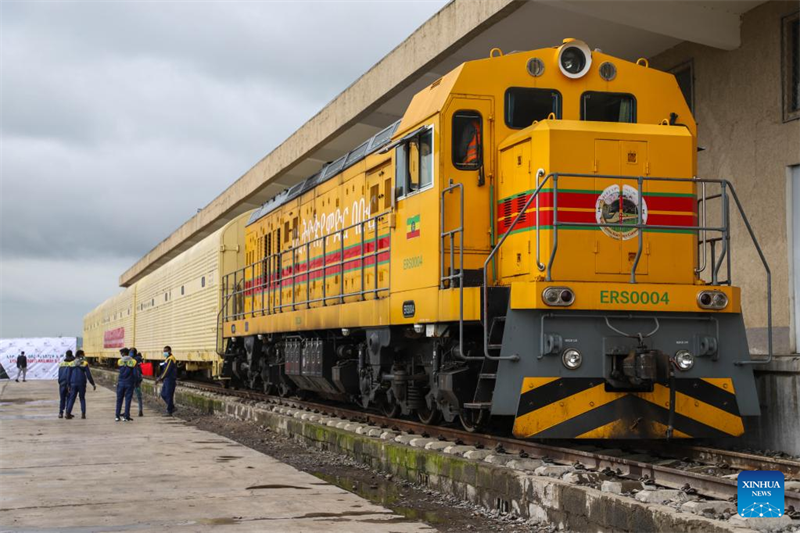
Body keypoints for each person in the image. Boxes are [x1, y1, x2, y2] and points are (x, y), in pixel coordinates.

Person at [65, 350, 96, 419]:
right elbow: (88, 375)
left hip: (73, 383)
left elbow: (68, 376)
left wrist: (68, 385)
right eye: (83, 355)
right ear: (81, 355)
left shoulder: (71, 364)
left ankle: (68, 414)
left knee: (72, 398)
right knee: (82, 398)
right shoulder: (84, 363)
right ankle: (83, 414)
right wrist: (93, 383)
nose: (84, 356)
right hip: (82, 384)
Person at [115, 348, 137, 422]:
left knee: (119, 400)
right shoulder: (133, 362)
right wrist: (135, 382)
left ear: (123, 353)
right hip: (129, 383)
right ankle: (126, 416)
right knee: (128, 400)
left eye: (121, 353)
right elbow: (135, 373)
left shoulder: (119, 361)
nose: (121, 354)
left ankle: (117, 416)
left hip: (121, 383)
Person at [155, 346, 177, 416]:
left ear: (170, 351)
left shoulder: (170, 359)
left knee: (168, 395)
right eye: (164, 351)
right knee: (163, 394)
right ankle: (172, 407)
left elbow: (167, 370)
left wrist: (160, 378)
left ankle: (169, 411)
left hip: (170, 379)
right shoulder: (167, 359)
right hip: (167, 379)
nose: (164, 352)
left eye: (166, 351)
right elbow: (164, 370)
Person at [58, 350, 75, 418]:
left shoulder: (61, 364)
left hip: (61, 383)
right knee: (69, 398)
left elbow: (59, 374)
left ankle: (60, 413)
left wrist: (59, 382)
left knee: (62, 399)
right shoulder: (73, 364)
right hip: (69, 384)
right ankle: (67, 413)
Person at [131, 348, 144, 417]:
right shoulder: (139, 358)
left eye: (131, 352)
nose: (130, 353)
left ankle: (126, 411)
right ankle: (140, 410)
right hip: (138, 380)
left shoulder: (133, 360)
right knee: (139, 396)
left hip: (133, 380)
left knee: (129, 396)